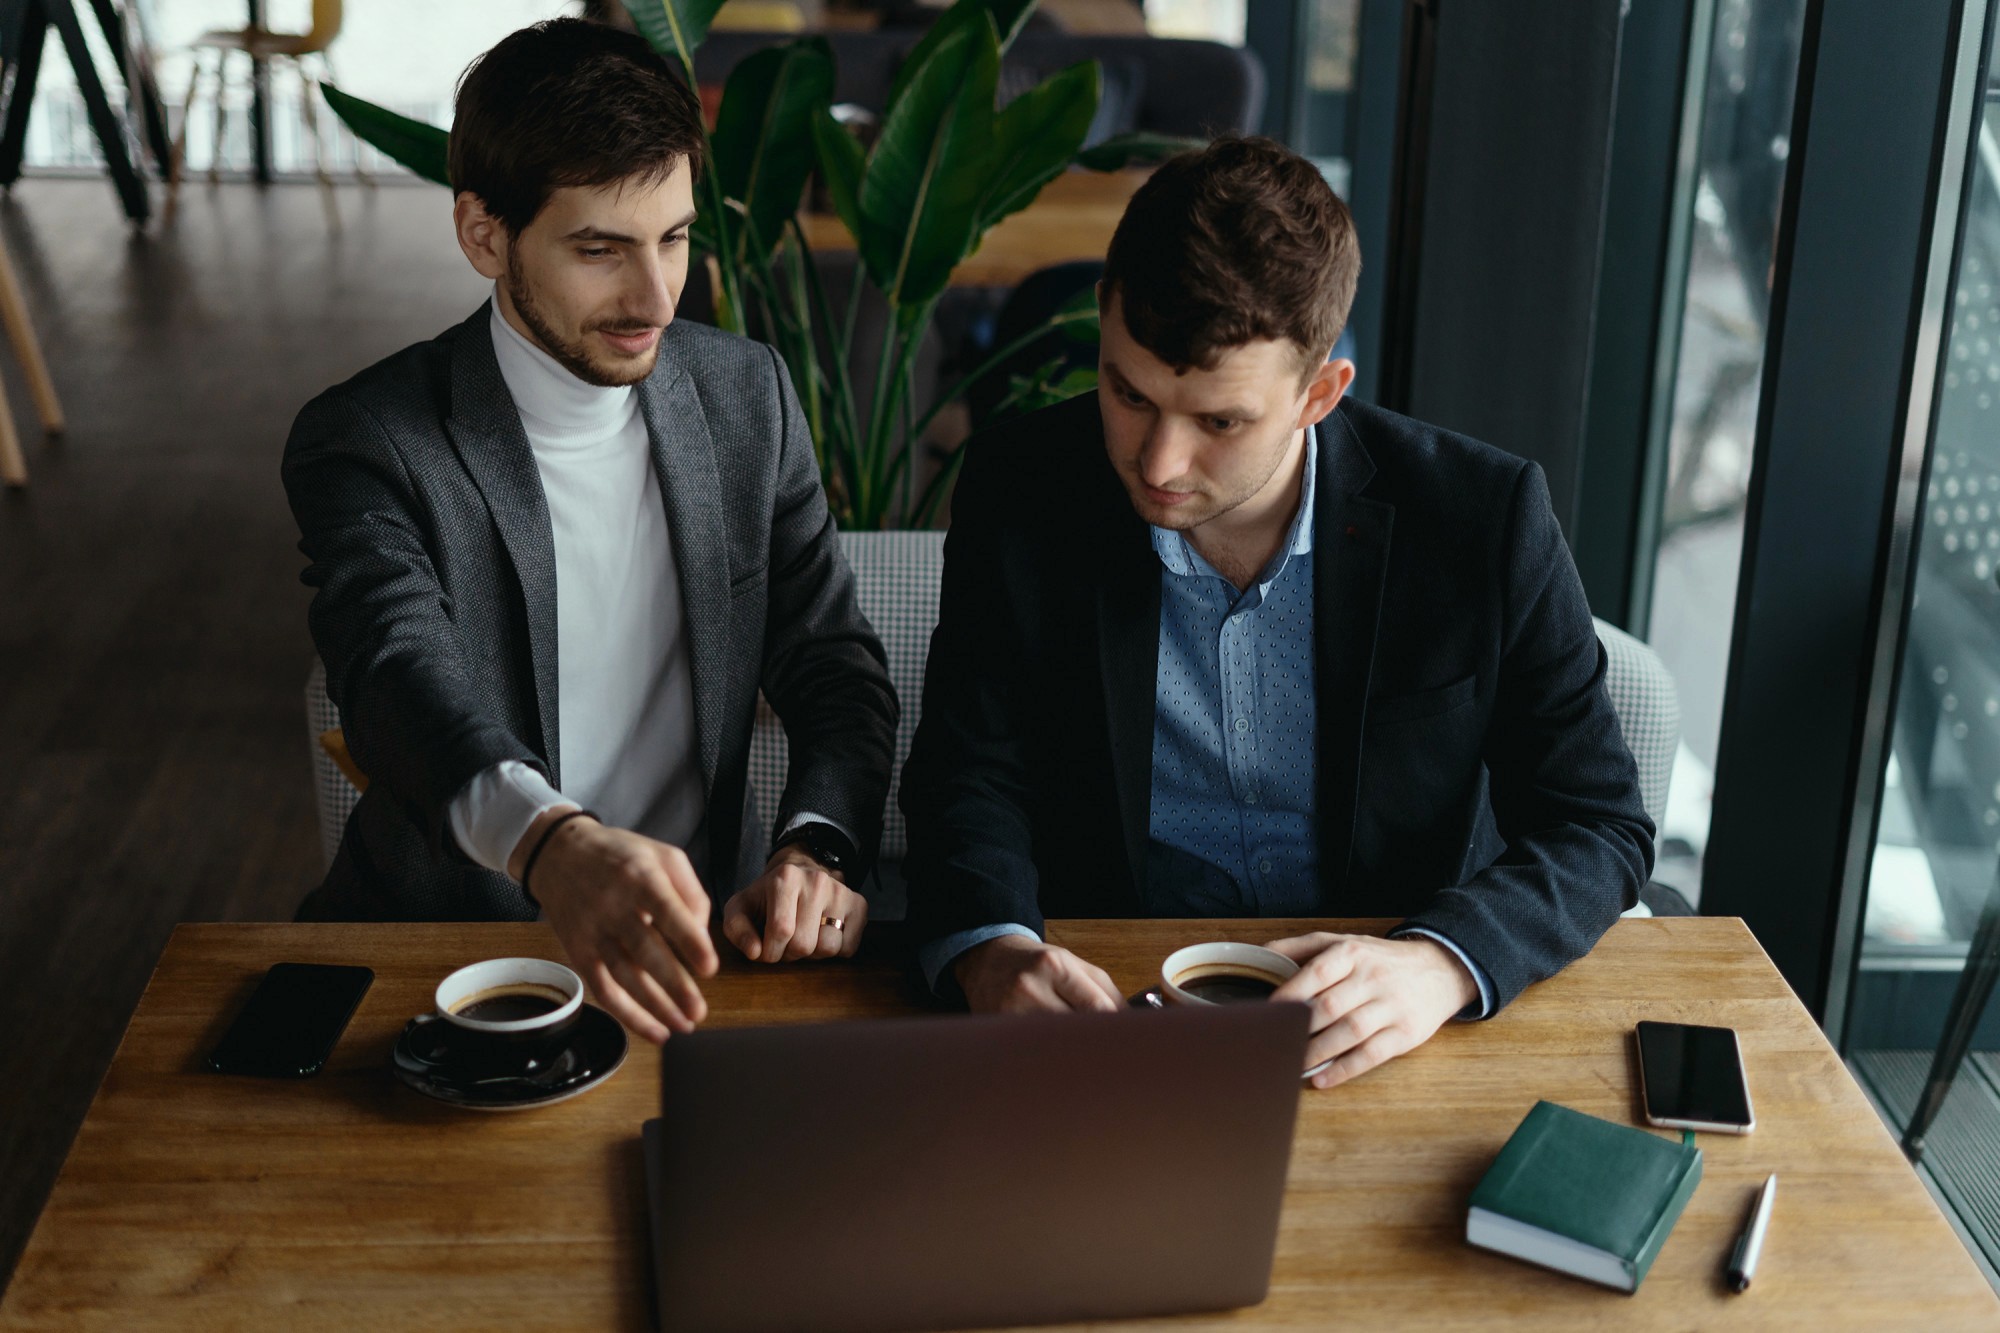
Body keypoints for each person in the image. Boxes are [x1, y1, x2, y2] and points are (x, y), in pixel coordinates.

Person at [902, 136, 1654, 1088]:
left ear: (1319, 394)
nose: (1159, 462)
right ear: (1103, 321)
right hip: (1112, 1018)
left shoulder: (1481, 519)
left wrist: (1440, 963)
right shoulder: (1022, 489)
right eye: (1129, 393)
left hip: (1393, 1030)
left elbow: (1599, 823)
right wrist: (993, 949)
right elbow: (970, 778)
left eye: (1219, 421)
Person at [282, 20, 897, 1044]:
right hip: (447, 963)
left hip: (710, 956)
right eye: (599, 250)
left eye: (673, 238)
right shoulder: (368, 439)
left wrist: (814, 852)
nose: (656, 297)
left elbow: (832, 666)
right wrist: (556, 848)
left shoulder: (749, 397)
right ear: (484, 234)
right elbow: (396, 679)